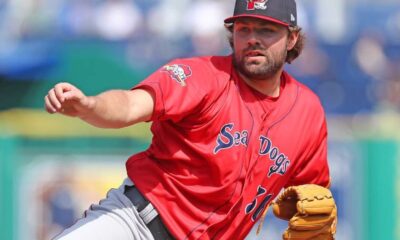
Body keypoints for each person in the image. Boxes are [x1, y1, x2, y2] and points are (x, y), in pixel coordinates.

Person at [44, 0, 337, 239]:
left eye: (266, 30)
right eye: (244, 29)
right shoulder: (203, 76)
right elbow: (131, 105)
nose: (253, 39)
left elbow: (313, 197)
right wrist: (90, 105)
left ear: (292, 38)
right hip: (135, 225)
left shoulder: (308, 113)